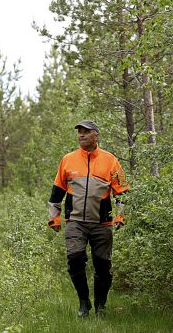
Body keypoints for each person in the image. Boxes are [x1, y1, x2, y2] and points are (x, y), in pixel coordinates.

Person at [47, 120, 129, 317]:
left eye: (86, 132)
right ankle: (84, 303)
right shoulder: (68, 160)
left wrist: (120, 215)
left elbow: (123, 192)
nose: (81, 135)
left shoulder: (110, 161)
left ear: (96, 135)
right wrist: (54, 217)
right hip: (75, 221)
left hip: (103, 223)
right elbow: (57, 191)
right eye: (79, 132)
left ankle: (101, 306)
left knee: (103, 266)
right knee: (75, 259)